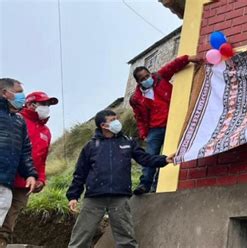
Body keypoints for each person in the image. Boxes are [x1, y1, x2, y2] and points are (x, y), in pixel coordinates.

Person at [66, 109, 175, 248]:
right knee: (80, 239)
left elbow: (145, 158)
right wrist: (73, 196)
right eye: (112, 120)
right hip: (94, 198)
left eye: (117, 118)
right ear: (103, 126)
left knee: (126, 240)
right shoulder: (91, 146)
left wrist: (164, 159)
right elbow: (80, 173)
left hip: (120, 198)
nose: (117, 122)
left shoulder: (128, 142)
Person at [130, 55, 202, 194]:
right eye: (143, 79)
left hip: (172, 124)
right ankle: (144, 184)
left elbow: (173, 65)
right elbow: (139, 117)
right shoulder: (136, 99)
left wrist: (189, 58)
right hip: (154, 129)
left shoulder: (160, 77)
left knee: (167, 155)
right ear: (138, 82)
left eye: (147, 75)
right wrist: (143, 133)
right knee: (151, 156)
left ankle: (157, 184)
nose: (147, 79)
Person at [0, 91, 58, 244]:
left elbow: (42, 160)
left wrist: (41, 178)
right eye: (44, 104)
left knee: (10, 221)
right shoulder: (17, 120)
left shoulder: (46, 132)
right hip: (7, 177)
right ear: (31, 104)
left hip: (26, 184)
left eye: (48, 105)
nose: (47, 108)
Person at [0, 78, 37, 247]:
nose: (23, 97)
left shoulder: (19, 121)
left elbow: (24, 151)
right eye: (19, 92)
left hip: (6, 184)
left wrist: (30, 173)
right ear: (4, 93)